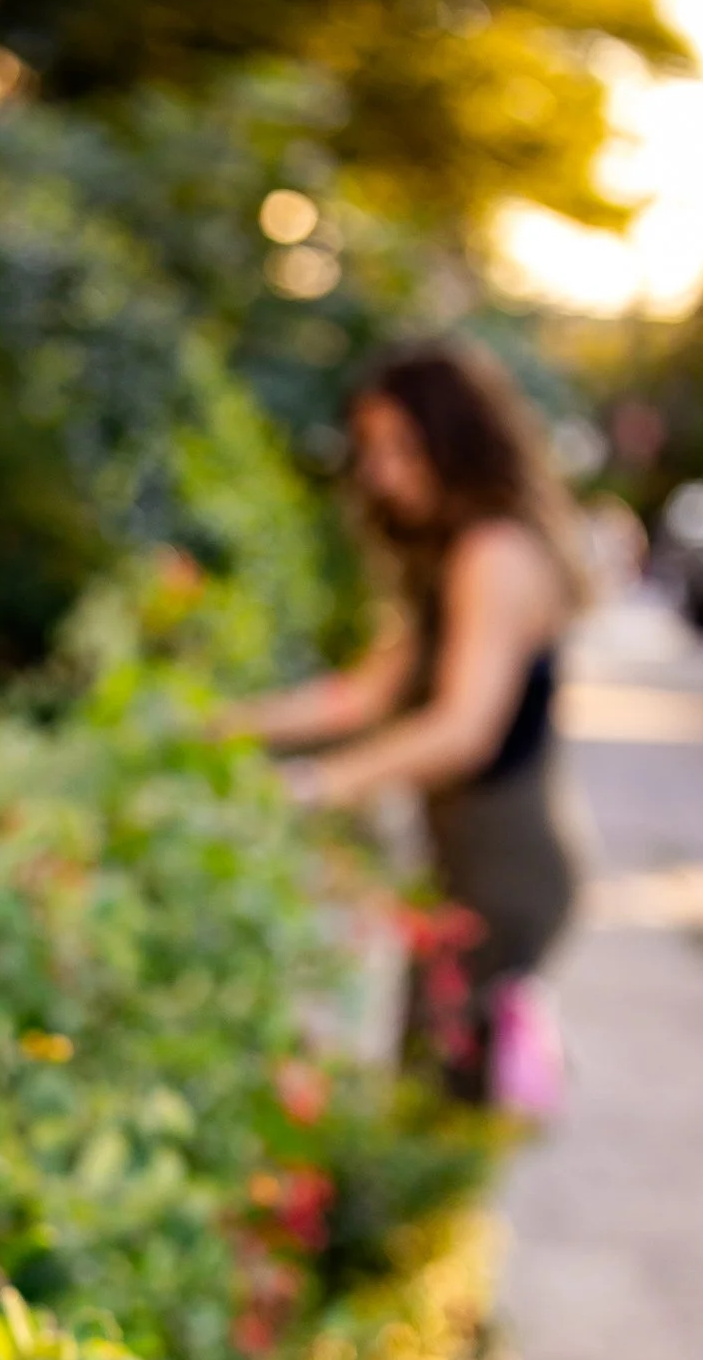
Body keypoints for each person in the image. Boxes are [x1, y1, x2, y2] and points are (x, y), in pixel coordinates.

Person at [225, 343, 587, 1103]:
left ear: (457, 441)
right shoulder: (453, 555)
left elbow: (463, 729)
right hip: (467, 868)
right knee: (436, 1082)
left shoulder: (494, 554)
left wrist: (316, 784)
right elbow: (363, 696)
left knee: (439, 1092)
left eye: (403, 448)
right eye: (372, 450)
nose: (381, 473)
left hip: (506, 875)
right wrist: (227, 726)